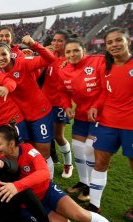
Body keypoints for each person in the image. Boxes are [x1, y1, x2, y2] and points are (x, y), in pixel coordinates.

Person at [0, 124, 133, 222]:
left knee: (81, 214)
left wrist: (17, 185)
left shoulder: (29, 151)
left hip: (48, 192)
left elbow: (45, 172)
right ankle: (60, 215)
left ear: (11, 143)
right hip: (31, 205)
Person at [0, 37, 55, 177]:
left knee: (43, 153)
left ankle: (48, 184)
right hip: (22, 118)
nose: (1, 58)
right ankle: (35, 179)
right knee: (30, 152)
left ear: (10, 54)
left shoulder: (24, 63)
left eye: (4, 54)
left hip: (40, 113)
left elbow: (50, 59)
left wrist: (34, 44)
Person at [87, 27, 133, 217]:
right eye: (110, 42)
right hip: (107, 122)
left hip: (130, 125)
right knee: (100, 161)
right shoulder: (106, 66)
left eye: (118, 40)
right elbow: (105, 92)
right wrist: (96, 106)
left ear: (128, 41)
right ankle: (94, 205)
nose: (114, 45)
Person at [58, 38, 105, 202]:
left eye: (76, 50)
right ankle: (84, 182)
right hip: (81, 115)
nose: (72, 54)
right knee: (78, 149)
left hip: (101, 115)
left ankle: (93, 188)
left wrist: (98, 106)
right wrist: (67, 106)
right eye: (68, 52)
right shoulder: (63, 69)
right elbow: (63, 91)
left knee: (90, 150)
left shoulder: (98, 61)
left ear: (84, 49)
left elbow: (107, 87)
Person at [42, 30, 74, 179]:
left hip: (59, 103)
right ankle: (45, 163)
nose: (55, 43)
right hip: (43, 102)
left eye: (59, 41)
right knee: (45, 136)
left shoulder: (69, 60)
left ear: (66, 43)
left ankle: (68, 165)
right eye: (54, 40)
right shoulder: (49, 56)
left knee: (58, 136)